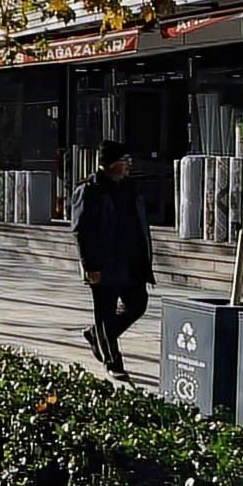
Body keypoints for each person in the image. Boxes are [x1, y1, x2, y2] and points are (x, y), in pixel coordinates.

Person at [71, 140, 154, 382]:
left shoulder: (130, 187)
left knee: (138, 304)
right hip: (103, 263)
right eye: (124, 161)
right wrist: (90, 266)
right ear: (109, 164)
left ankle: (96, 335)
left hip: (132, 260)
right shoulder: (89, 190)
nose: (129, 165)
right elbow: (81, 231)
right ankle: (113, 362)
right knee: (105, 313)